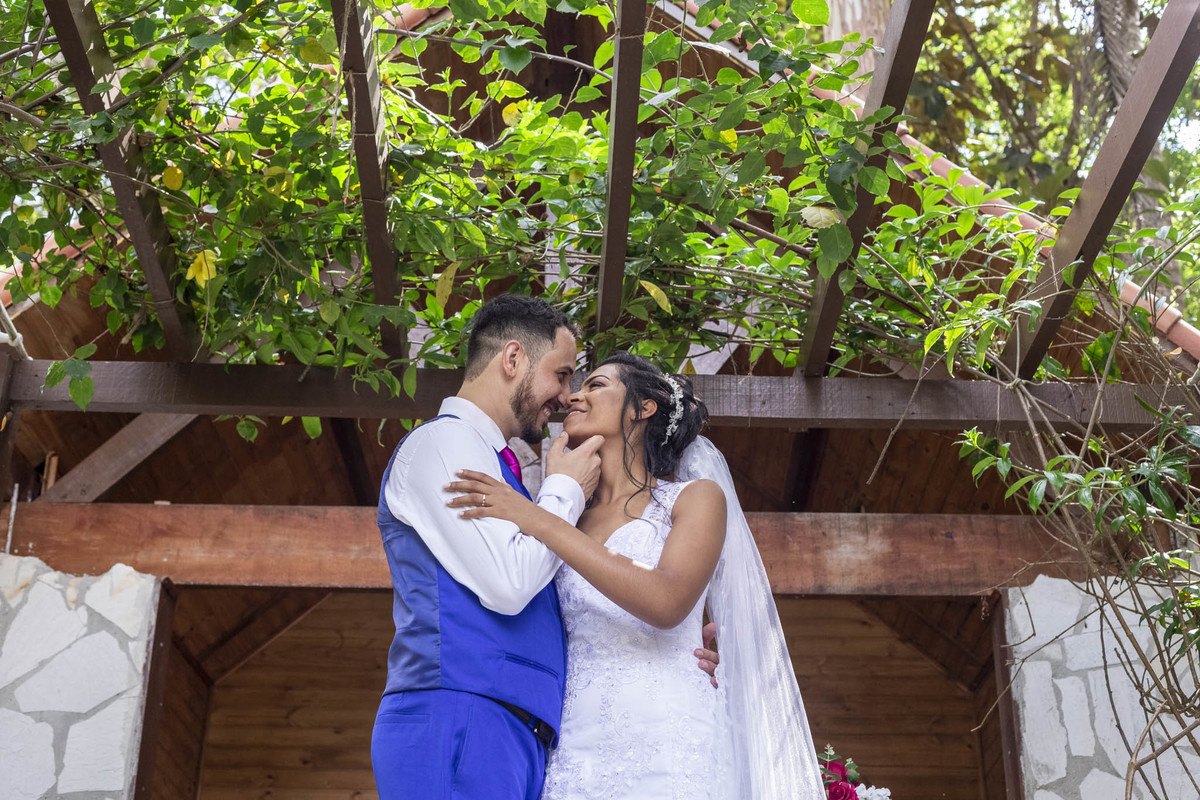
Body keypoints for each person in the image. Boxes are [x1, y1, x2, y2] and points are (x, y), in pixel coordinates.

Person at [371, 295, 717, 800]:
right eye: (562, 374)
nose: (565, 396)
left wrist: (695, 646)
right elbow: (511, 584)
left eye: (584, 382)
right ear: (512, 359)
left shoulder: (516, 479)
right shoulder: (442, 445)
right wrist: (563, 491)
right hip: (464, 716)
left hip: (535, 739)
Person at [446, 353, 826, 800]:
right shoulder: (557, 510)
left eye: (596, 385)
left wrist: (537, 520)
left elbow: (667, 603)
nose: (574, 396)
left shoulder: (693, 499)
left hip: (669, 733)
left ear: (643, 409)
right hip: (574, 745)